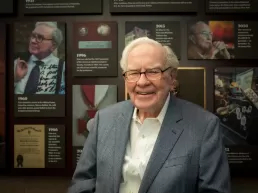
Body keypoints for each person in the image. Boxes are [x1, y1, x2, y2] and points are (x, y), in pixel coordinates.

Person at [68, 37, 231, 193]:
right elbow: (82, 184)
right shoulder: (104, 119)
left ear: (172, 77)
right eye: (133, 73)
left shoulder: (204, 127)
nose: (142, 82)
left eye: (153, 71)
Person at [14, 22, 65, 94]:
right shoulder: (18, 62)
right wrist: (16, 79)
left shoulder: (63, 68)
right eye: (33, 35)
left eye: (40, 37)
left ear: (53, 46)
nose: (32, 41)